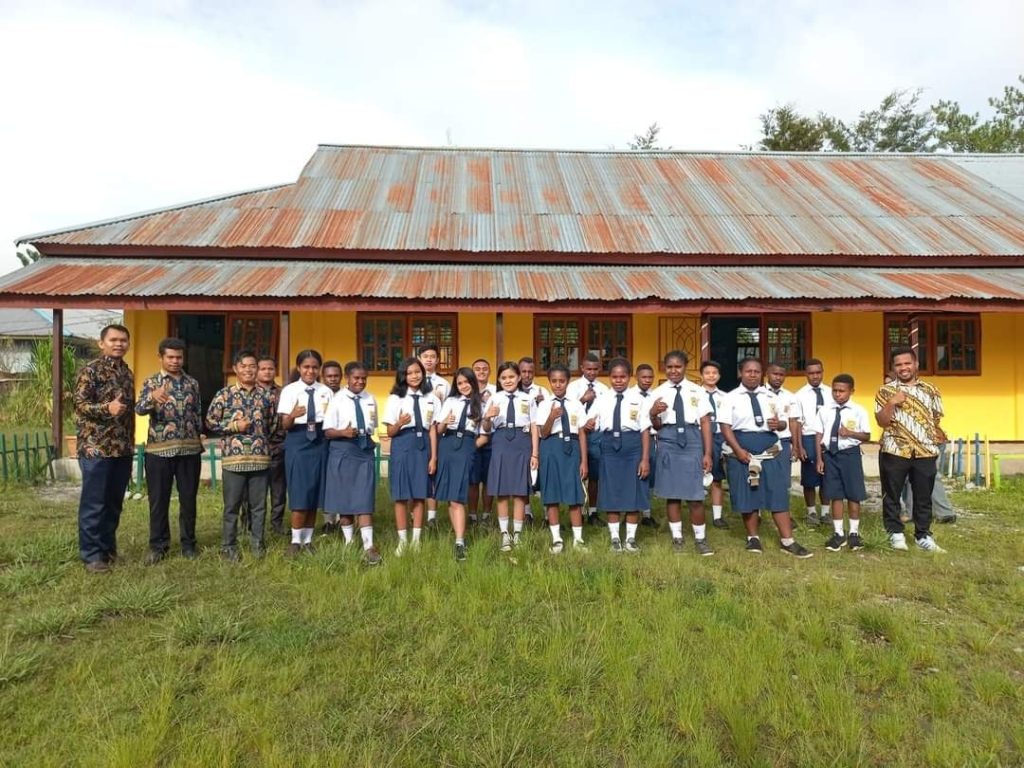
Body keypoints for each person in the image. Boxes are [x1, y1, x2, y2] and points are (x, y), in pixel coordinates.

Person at [718, 358, 812, 558]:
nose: (753, 374)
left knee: (778, 494)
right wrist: (738, 450)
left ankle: (787, 540)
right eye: (748, 371)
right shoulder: (730, 398)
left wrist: (779, 425)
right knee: (749, 495)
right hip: (742, 451)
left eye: (756, 371)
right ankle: (753, 537)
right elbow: (725, 427)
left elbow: (784, 424)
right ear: (741, 373)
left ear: (762, 374)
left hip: (770, 451)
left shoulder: (771, 397)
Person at [135, 337, 203, 564]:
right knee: (158, 501)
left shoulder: (192, 383)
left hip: (189, 451)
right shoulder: (151, 382)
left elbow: (197, 413)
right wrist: (151, 398)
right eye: (170, 357)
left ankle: (188, 544)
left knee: (188, 500)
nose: (175, 361)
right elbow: (139, 409)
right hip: (159, 451)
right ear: (161, 357)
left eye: (179, 357)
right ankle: (158, 546)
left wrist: (200, 435)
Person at [73, 324, 135, 573]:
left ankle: (108, 550)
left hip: (121, 448)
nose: (118, 344)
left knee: (113, 502)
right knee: (95, 503)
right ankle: (91, 555)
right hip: (96, 448)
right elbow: (80, 404)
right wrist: (106, 408)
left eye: (123, 340)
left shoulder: (126, 373)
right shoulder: (90, 370)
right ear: (102, 343)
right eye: (113, 340)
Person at [205, 350, 276, 561]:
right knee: (232, 506)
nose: (248, 370)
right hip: (233, 460)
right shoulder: (224, 395)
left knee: (259, 506)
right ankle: (229, 546)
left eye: (252, 366)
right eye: (243, 366)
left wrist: (260, 442)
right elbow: (210, 422)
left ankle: (257, 543)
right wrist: (234, 426)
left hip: (260, 459)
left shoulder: (266, 396)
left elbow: (273, 425)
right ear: (235, 368)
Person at [875, 347, 947, 552]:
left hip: (925, 450)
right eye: (898, 364)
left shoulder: (931, 390)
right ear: (893, 368)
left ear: (916, 364)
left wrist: (934, 435)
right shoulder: (885, 391)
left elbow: (935, 418)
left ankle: (923, 535)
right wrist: (892, 402)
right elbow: (882, 421)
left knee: (923, 496)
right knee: (892, 494)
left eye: (907, 363)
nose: (903, 368)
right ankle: (895, 533)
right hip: (895, 450)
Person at [647, 350, 715, 556]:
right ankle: (677, 538)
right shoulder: (658, 392)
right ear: (664, 368)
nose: (673, 371)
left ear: (685, 367)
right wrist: (653, 413)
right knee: (672, 494)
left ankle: (700, 539)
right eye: (669, 367)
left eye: (678, 366)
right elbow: (656, 426)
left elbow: (705, 422)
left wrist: (707, 453)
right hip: (668, 441)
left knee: (695, 495)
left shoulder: (697, 391)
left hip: (692, 440)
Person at [584, 358, 650, 553]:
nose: (619, 380)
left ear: (629, 377)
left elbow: (645, 430)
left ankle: (630, 538)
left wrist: (645, 459)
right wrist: (589, 424)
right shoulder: (602, 399)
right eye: (614, 377)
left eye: (623, 377)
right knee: (611, 490)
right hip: (609, 447)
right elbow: (589, 421)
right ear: (609, 377)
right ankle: (614, 537)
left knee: (633, 491)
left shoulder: (639, 399)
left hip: (632, 446)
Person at [323, 361, 382, 566]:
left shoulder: (370, 399)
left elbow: (373, 424)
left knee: (364, 497)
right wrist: (343, 432)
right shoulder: (337, 400)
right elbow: (328, 431)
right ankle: (349, 542)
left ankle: (369, 546)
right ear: (347, 378)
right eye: (356, 378)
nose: (360, 382)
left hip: (363, 450)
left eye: (364, 378)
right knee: (344, 498)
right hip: (343, 450)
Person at [278, 349, 333, 556]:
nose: (310, 371)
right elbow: (285, 425)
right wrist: (293, 415)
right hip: (298, 440)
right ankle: (295, 540)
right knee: (300, 489)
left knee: (314, 490)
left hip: (320, 440)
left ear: (319, 369)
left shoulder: (325, 391)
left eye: (314, 367)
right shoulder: (290, 391)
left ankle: (308, 540)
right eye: (306, 367)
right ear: (299, 368)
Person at [384, 357, 439, 556]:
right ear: (403, 376)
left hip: (423, 446)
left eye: (418, 372)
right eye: (410, 373)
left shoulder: (431, 398)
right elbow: (390, 432)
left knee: (419, 493)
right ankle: (402, 541)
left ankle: (416, 540)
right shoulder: (395, 398)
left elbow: (433, 429)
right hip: (403, 444)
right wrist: (399, 423)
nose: (414, 376)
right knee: (401, 495)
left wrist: (433, 457)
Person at [482, 361, 540, 552]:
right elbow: (486, 428)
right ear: (499, 380)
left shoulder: (528, 399)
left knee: (520, 491)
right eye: (504, 378)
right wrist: (488, 417)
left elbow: (534, 426)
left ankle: (518, 534)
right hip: (501, 442)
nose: (508, 381)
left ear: (519, 377)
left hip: (522, 442)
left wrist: (535, 453)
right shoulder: (495, 398)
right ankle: (504, 534)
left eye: (511, 377)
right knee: (503, 490)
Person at [433, 367, 486, 561]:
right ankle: (458, 539)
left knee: (458, 495)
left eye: (467, 382)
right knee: (451, 495)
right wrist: (445, 422)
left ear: (473, 382)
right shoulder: (450, 401)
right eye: (460, 383)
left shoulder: (481, 404)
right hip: (447, 444)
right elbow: (438, 430)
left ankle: (460, 541)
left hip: (467, 445)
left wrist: (471, 448)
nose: (463, 386)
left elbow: (485, 435)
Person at [536, 364, 589, 553]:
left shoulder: (576, 404)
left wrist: (584, 461)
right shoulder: (544, 405)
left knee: (574, 495)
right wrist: (551, 417)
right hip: (551, 447)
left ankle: (578, 539)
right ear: (549, 382)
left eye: (562, 381)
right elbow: (542, 433)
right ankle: (557, 539)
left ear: (568, 381)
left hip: (572, 449)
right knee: (552, 494)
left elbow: (582, 433)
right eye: (554, 381)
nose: (558, 385)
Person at [815, 374, 870, 552]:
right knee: (835, 494)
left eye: (842, 391)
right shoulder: (824, 410)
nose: (838, 394)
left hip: (850, 455)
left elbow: (867, 435)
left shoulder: (859, 410)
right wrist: (819, 458)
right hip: (830, 455)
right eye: (835, 390)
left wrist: (850, 433)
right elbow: (818, 434)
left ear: (851, 391)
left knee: (853, 494)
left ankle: (854, 533)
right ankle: (838, 533)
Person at [567, 353, 609, 525]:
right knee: (578, 474)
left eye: (595, 369)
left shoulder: (604, 389)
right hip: (577, 435)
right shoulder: (573, 387)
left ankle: (593, 512)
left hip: (596, 436)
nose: (591, 372)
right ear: (582, 368)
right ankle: (578, 511)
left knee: (594, 476)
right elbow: (568, 409)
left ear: (599, 369)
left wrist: (596, 423)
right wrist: (583, 399)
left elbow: (606, 412)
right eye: (588, 369)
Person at [794, 358, 833, 526]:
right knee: (809, 478)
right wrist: (799, 446)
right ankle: (811, 512)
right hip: (809, 437)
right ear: (806, 374)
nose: (815, 376)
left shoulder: (831, 392)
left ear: (822, 372)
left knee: (827, 476)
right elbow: (797, 422)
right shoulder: (799, 395)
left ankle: (825, 512)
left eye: (818, 372)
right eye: (811, 373)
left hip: (828, 437)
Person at [257, 356, 288, 536]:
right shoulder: (251, 392)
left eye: (270, 368)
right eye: (263, 369)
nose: (267, 372)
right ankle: (252, 526)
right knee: (254, 491)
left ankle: (277, 524)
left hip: (279, 446)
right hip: (256, 448)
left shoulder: (283, 392)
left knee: (279, 489)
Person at [419, 344, 448, 532]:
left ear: (437, 360)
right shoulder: (413, 380)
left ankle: (431, 517)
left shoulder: (444, 384)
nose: (429, 359)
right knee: (416, 472)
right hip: (417, 432)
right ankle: (415, 513)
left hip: (436, 433)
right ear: (419, 358)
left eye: (432, 356)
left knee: (432, 474)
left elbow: (449, 406)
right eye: (425, 356)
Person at [700, 361, 729, 529]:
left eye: (714, 373)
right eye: (707, 373)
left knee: (717, 477)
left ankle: (717, 516)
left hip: (718, 437)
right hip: (698, 437)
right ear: (701, 375)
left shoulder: (725, 397)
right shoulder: (695, 395)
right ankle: (696, 512)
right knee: (696, 475)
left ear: (719, 375)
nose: (711, 376)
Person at [630, 363, 659, 528]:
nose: (647, 380)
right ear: (636, 377)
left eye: (650, 377)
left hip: (652, 439)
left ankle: (647, 514)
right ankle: (629, 511)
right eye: (644, 377)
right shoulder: (628, 395)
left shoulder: (657, 396)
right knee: (631, 476)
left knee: (647, 476)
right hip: (634, 439)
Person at [468, 358, 496, 525]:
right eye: (477, 369)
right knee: (472, 480)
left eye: (484, 368)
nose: (481, 371)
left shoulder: (496, 391)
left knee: (488, 480)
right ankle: (472, 515)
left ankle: (486, 515)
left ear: (489, 371)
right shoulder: (467, 390)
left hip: (491, 439)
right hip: (472, 438)